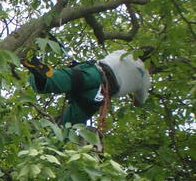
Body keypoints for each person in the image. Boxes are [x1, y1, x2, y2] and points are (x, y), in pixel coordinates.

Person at [23, 50, 151, 125]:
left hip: (94, 72)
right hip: (100, 92)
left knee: (57, 80)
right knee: (69, 124)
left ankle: (41, 76)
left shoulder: (124, 52)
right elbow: (138, 102)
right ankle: (49, 148)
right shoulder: (145, 76)